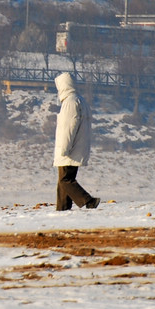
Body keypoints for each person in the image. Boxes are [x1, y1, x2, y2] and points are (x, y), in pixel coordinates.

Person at [52, 72, 99, 211]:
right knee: (64, 181)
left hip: (69, 149)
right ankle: (63, 208)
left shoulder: (69, 103)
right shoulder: (80, 101)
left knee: (65, 180)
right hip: (77, 147)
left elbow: (68, 128)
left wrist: (64, 149)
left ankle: (88, 200)